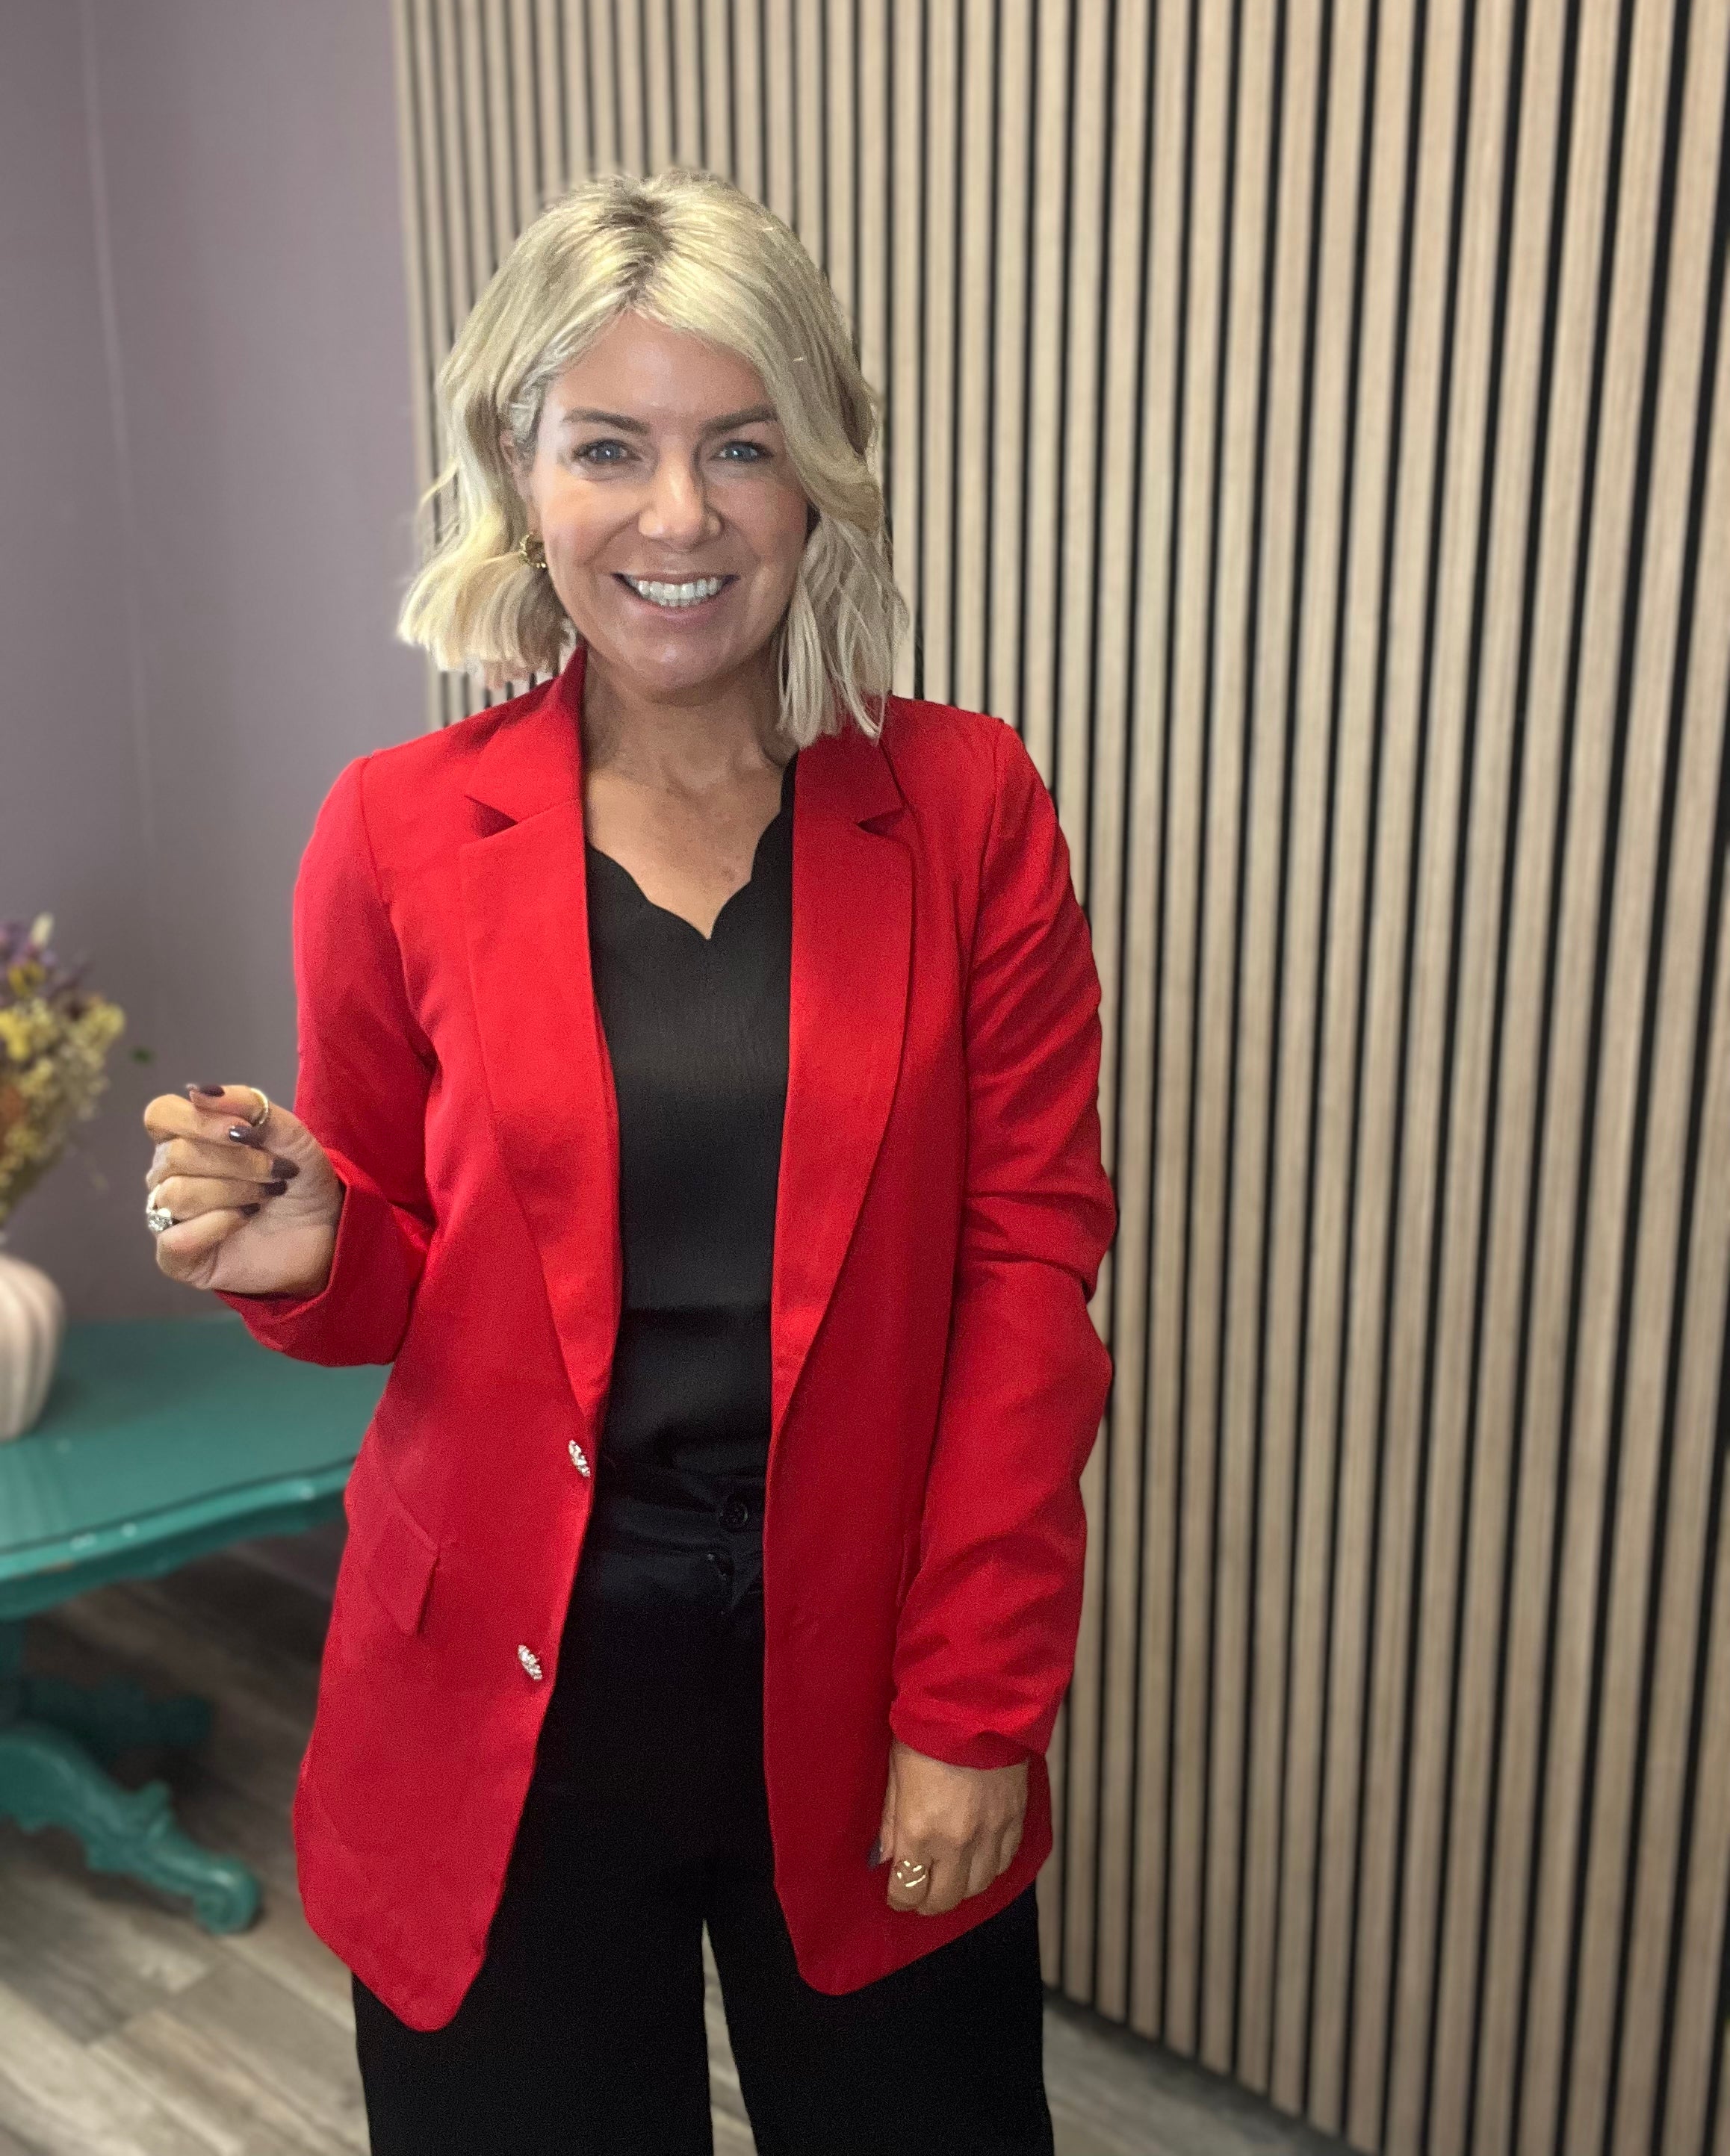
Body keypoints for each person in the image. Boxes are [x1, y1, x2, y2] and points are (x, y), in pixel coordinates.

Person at [140, 167, 1116, 2155]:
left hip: (863, 1659)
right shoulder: (394, 831)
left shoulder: (965, 809)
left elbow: (1026, 1280)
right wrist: (315, 1251)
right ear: (522, 474)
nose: (678, 517)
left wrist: (974, 1707)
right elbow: (394, 1283)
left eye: (738, 446)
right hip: (500, 1688)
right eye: (610, 447)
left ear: (817, 477)